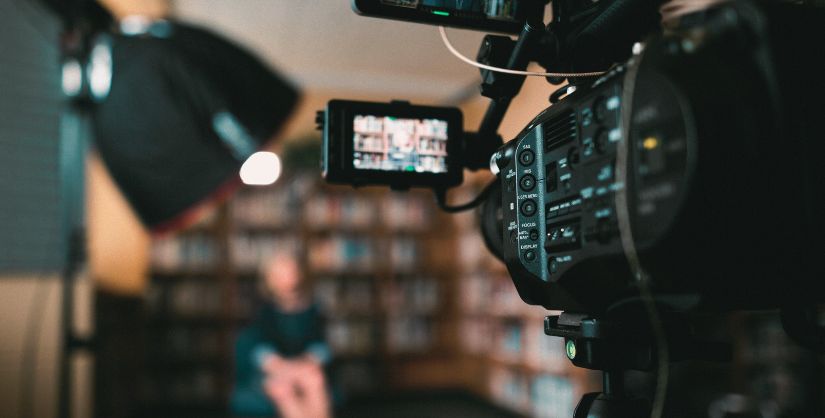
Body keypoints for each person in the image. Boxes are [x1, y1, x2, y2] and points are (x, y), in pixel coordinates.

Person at [231, 252, 332, 418]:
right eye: (278, 275)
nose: (285, 279)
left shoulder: (313, 307)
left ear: (298, 275)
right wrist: (282, 367)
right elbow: (257, 347)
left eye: (289, 273)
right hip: (272, 369)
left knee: (314, 381)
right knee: (282, 388)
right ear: (269, 279)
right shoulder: (262, 310)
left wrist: (306, 362)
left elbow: (321, 344)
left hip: (305, 366)